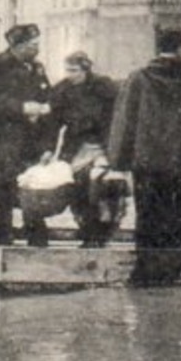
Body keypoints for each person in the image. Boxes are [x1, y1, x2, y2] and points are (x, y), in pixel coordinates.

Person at [107, 27, 181, 269]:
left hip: (148, 161)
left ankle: (150, 271)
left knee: (149, 216)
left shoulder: (138, 78)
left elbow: (124, 121)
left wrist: (118, 163)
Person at [0, 23, 55, 246]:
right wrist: (21, 108)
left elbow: (47, 97)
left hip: (30, 140)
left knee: (33, 186)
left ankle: (36, 235)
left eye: (37, 44)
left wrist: (46, 111)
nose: (37, 49)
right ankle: (1, 236)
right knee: (3, 189)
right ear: (17, 46)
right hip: (1, 141)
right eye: (32, 45)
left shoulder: (36, 68)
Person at [47, 51, 122, 246]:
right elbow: (52, 124)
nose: (70, 75)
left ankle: (104, 231)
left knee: (106, 188)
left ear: (86, 69)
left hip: (104, 145)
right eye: (68, 70)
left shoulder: (105, 87)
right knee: (77, 189)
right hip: (76, 147)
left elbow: (118, 116)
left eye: (75, 70)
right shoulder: (62, 90)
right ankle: (87, 229)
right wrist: (48, 149)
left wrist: (116, 146)